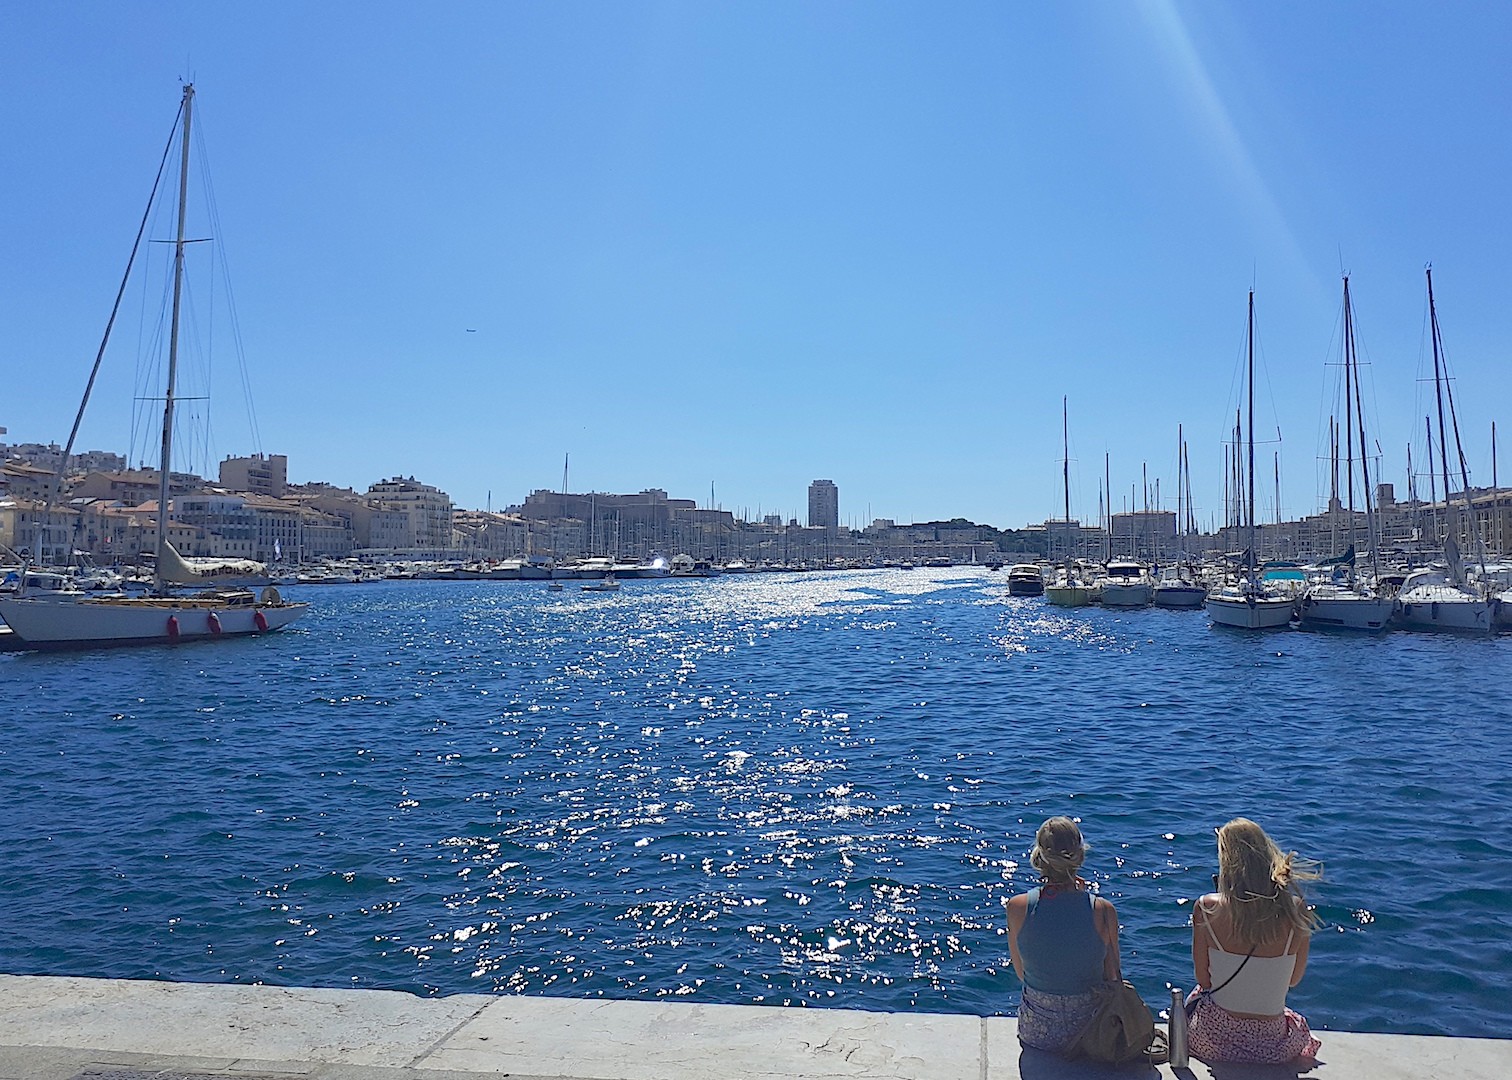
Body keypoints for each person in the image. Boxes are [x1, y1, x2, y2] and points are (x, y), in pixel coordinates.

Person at [1187, 817, 1323, 1064]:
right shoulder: (1296, 910)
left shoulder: (1207, 907)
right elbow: (1293, 980)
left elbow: (1203, 980)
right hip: (1274, 1046)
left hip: (1213, 1042)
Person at [1006, 816, 1122, 1054]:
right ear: (1080, 855)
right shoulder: (1102, 910)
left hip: (1036, 1031)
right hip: (1090, 1031)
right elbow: (1113, 978)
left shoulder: (1018, 907)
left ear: (1040, 856)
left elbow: (1022, 973)